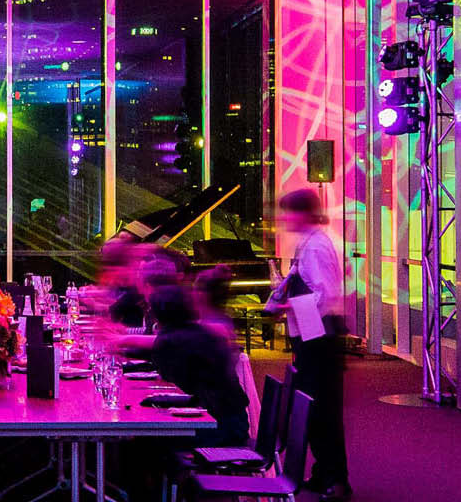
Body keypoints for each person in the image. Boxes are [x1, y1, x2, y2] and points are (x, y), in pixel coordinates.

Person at [266, 188, 351, 501]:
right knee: (314, 407)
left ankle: (335, 480)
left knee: (322, 408)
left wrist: (287, 308)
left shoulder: (315, 246)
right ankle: (324, 474)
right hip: (314, 335)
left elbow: (325, 295)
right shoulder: (310, 242)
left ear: (303, 213)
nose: (284, 219)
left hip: (320, 337)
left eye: (288, 212)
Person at [136, 286, 250, 446]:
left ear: (158, 314)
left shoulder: (171, 340)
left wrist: (145, 400)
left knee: (144, 441)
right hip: (234, 421)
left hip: (218, 427)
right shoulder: (200, 332)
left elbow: (172, 383)